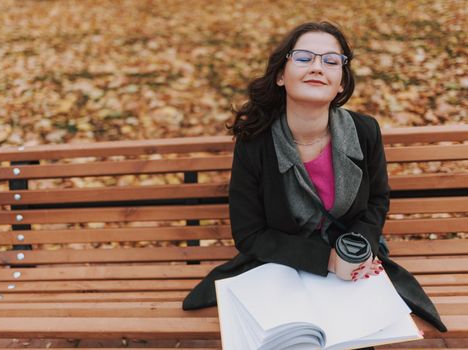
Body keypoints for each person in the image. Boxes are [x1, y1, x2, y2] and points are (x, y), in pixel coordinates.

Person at [182, 21, 447, 336]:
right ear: (281, 75)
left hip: (352, 267)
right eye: (304, 58)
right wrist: (327, 260)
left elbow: (377, 200)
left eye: (331, 60)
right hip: (282, 265)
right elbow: (250, 234)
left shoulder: (364, 132)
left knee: (358, 335)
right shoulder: (256, 143)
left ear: (340, 82)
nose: (317, 67)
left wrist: (357, 249)